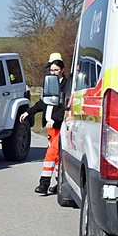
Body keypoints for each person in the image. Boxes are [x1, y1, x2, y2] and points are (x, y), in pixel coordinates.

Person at [28, 52, 69, 194]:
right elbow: (43, 103)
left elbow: (65, 106)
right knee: (56, 157)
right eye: (51, 70)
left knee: (51, 154)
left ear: (62, 70)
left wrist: (55, 119)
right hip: (50, 127)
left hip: (59, 125)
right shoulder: (49, 84)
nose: (54, 72)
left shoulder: (67, 85)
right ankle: (59, 184)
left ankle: (43, 184)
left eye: (56, 70)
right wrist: (28, 112)